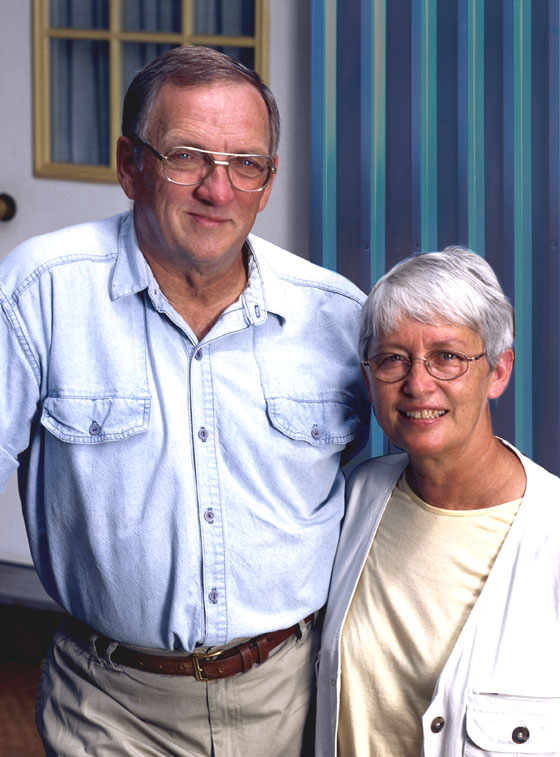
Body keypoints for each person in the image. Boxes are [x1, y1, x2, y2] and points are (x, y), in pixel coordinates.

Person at [0, 46, 369, 756]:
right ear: (129, 165)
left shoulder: (336, 317)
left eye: (245, 164)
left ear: (268, 182)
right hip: (110, 706)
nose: (218, 189)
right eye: (187, 156)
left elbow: (395, 495)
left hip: (294, 697)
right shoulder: (38, 293)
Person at [316, 246, 560, 756]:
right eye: (393, 359)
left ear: (498, 372)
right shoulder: (354, 500)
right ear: (368, 379)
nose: (418, 384)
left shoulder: (552, 534)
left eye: (447, 356)